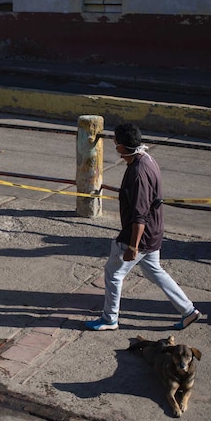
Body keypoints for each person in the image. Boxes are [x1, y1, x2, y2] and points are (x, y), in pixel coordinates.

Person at [85, 123, 201, 331]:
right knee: (155, 272)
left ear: (121, 147)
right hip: (154, 233)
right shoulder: (147, 159)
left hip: (139, 235)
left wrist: (132, 247)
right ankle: (188, 310)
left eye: (116, 143)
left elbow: (139, 216)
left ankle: (109, 318)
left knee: (113, 274)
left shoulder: (138, 173)